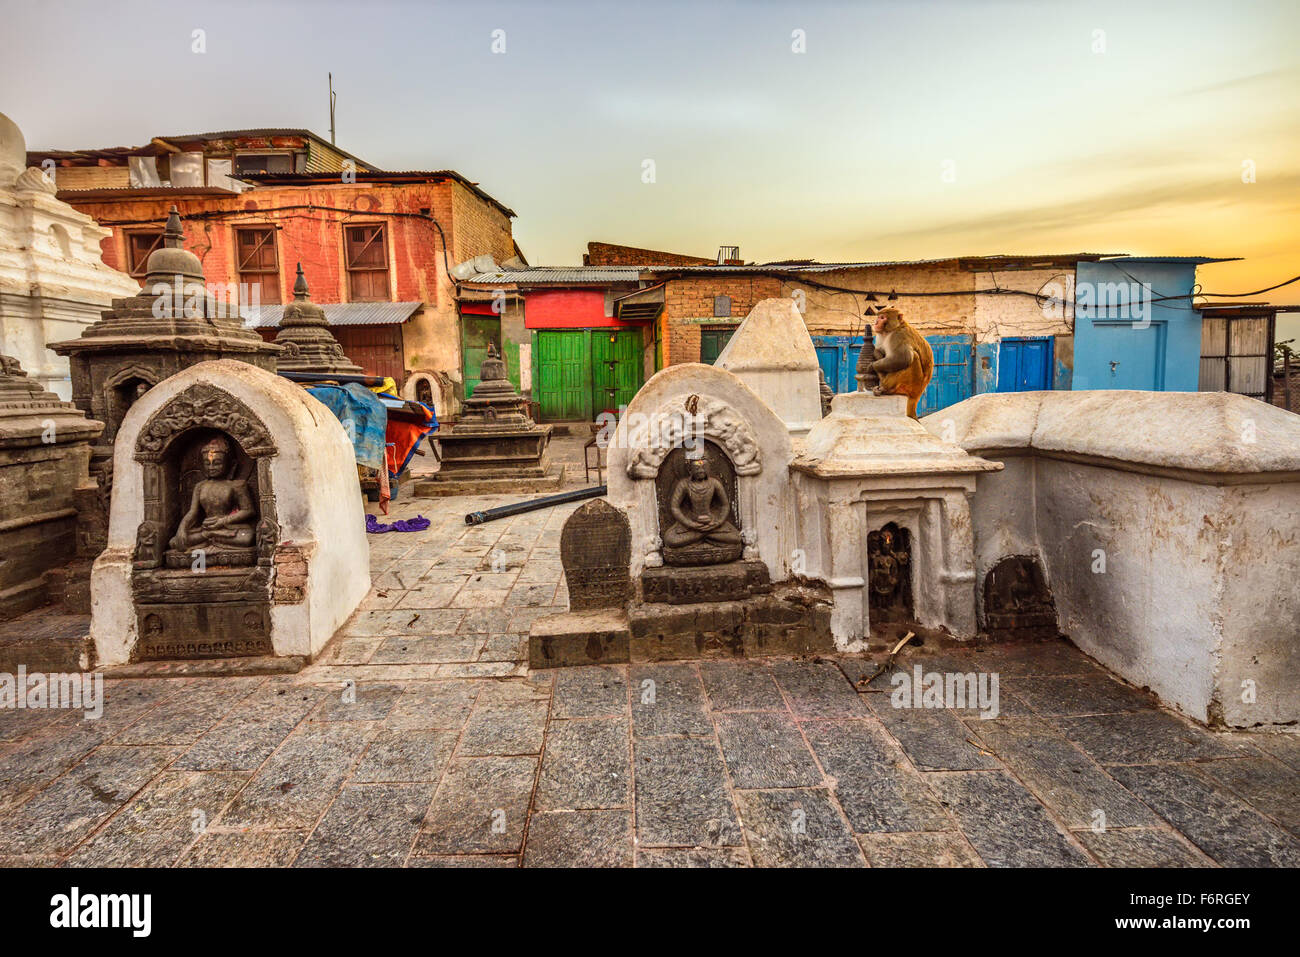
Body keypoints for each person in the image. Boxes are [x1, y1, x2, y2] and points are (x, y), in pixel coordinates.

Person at [169, 436, 256, 550]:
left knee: (248, 538)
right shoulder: (200, 486)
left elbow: (248, 510)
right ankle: (210, 536)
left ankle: (211, 537)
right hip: (206, 528)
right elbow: (193, 512)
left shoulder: (237, 485)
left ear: (231, 463)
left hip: (229, 527)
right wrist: (182, 528)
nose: (211, 467)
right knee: (174, 542)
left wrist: (222, 521)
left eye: (217, 463)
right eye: (207, 463)